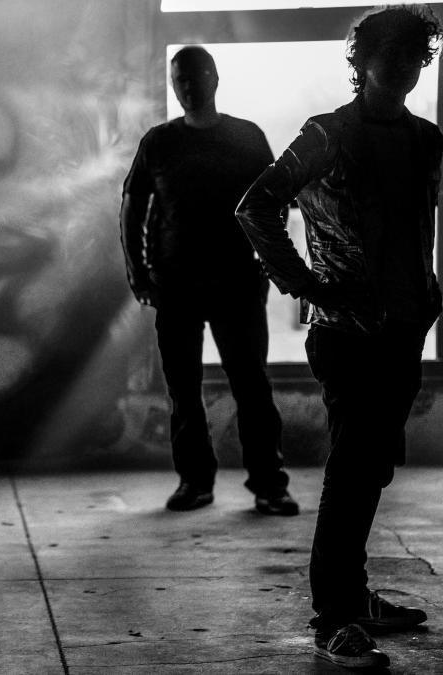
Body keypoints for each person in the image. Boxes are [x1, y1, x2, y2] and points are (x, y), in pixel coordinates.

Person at [236, 5, 443, 669]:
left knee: (372, 467)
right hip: (348, 334)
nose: (404, 66)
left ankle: (352, 594)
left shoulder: (425, 139)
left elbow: (416, 228)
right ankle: (335, 616)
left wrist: (427, 297)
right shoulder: (327, 134)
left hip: (404, 329)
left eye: (414, 55)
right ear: (362, 63)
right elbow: (255, 206)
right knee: (354, 469)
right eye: (391, 54)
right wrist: (303, 282)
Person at [119, 46, 298, 516]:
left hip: (237, 281)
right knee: (183, 389)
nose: (187, 87)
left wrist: (268, 259)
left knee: (252, 386)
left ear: (214, 78)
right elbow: (132, 207)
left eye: (195, 77)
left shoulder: (246, 137)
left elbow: (274, 199)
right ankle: (195, 481)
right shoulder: (158, 142)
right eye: (179, 79)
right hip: (175, 285)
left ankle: (268, 484)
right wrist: (139, 272)